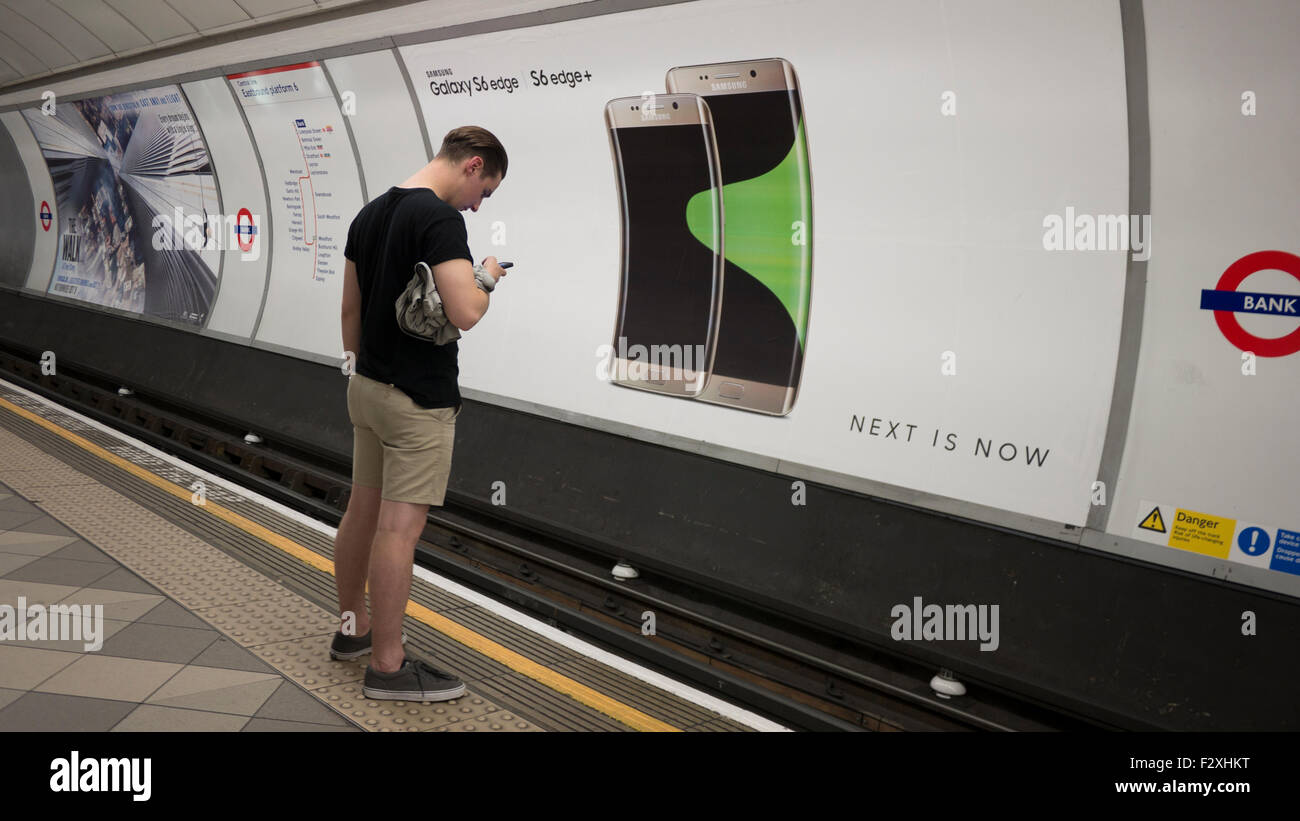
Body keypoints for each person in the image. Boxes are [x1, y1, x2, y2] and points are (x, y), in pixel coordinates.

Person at [332, 126, 508, 701]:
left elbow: (350, 308)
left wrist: (362, 371)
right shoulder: (438, 219)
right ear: (472, 165)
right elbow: (464, 311)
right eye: (485, 189)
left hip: (368, 387)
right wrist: (486, 278)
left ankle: (351, 630)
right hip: (417, 400)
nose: (479, 204)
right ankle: (387, 666)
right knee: (398, 530)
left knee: (362, 508)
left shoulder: (370, 214)